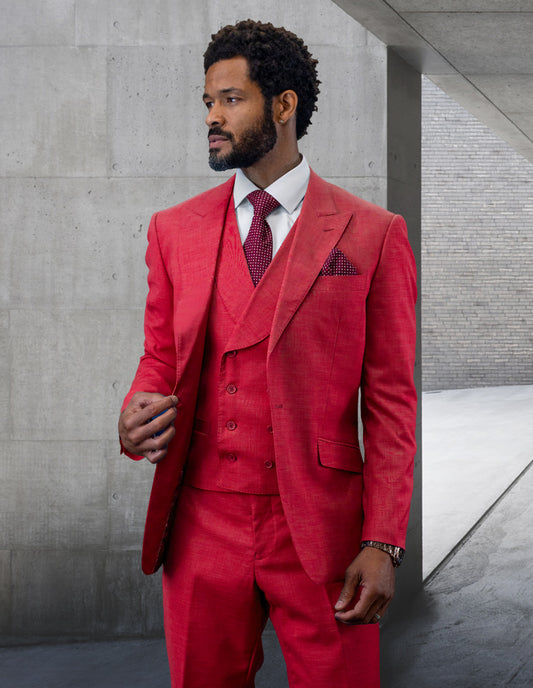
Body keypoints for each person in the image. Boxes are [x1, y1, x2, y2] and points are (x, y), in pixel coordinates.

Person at [118, 19, 417, 688]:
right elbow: (160, 356)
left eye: (230, 99)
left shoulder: (372, 234)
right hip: (200, 523)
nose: (212, 118)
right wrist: (133, 416)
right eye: (207, 102)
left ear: (282, 105)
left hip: (322, 528)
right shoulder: (174, 231)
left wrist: (383, 539)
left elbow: (393, 401)